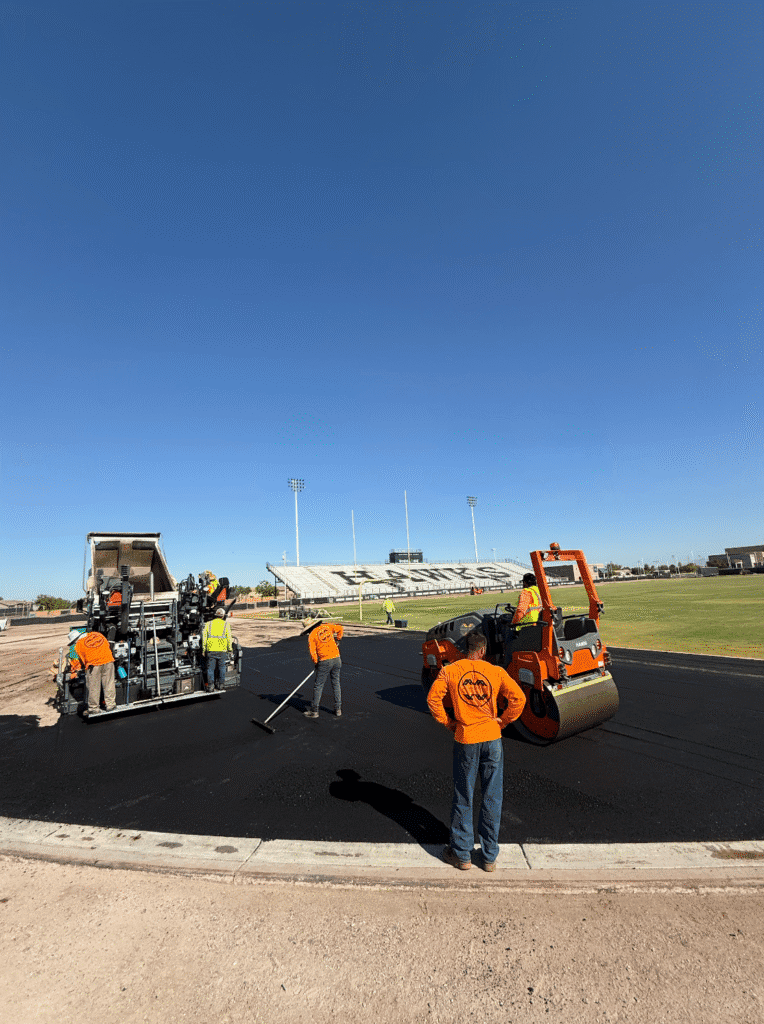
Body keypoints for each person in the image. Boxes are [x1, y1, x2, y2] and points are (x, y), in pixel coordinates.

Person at [426, 629, 525, 871]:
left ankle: (462, 855)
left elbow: (432, 700)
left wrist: (448, 722)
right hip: (492, 738)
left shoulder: (450, 670)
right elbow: (519, 699)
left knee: (464, 796)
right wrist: (503, 720)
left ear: (466, 650)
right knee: (492, 796)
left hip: (466, 738)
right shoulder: (496, 671)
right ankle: (489, 856)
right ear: (482, 651)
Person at [69, 627, 116, 717]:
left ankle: (94, 709)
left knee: (94, 686)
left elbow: (83, 661)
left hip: (94, 665)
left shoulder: (78, 644)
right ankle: (111, 705)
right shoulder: (98, 634)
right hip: (108, 660)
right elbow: (107, 645)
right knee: (109, 683)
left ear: (75, 639)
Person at [304, 621, 344, 718]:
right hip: (337, 658)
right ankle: (338, 709)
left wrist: (317, 663)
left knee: (319, 685)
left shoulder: (312, 636)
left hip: (325, 661)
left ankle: (314, 711)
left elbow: (313, 654)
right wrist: (338, 639)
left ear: (308, 629)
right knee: (336, 683)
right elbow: (340, 628)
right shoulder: (327, 627)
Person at [202, 608, 232, 691]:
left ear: (215, 615)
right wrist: (230, 649)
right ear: (222, 616)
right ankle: (221, 685)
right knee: (222, 668)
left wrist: (204, 649)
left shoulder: (208, 624)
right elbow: (229, 638)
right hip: (222, 650)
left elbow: (204, 638)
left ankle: (211, 686)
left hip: (211, 649)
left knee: (210, 668)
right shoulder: (226, 625)